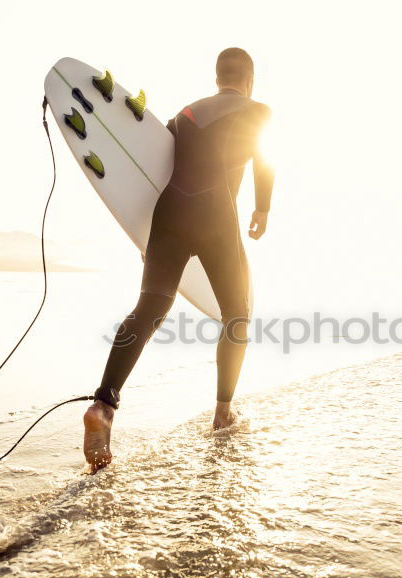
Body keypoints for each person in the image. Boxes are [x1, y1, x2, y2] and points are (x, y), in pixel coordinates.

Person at [82, 47, 274, 474]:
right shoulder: (258, 110)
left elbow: (151, 165)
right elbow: (264, 158)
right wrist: (262, 208)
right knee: (236, 315)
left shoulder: (185, 114)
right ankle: (223, 412)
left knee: (150, 309)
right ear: (250, 80)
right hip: (216, 217)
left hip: (167, 216)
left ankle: (104, 405)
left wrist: (142, 233)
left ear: (216, 76)